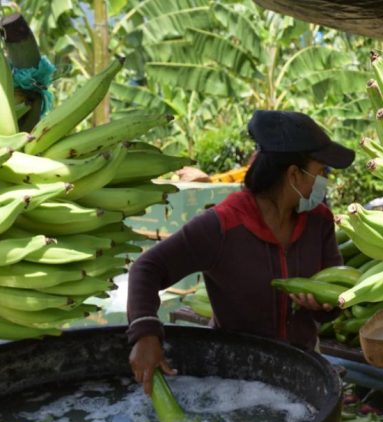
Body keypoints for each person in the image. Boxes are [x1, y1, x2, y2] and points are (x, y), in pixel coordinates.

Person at [127, 110, 355, 395]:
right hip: (235, 382)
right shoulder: (222, 225)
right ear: (294, 174)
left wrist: (324, 307)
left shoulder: (319, 220)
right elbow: (147, 268)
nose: (324, 181)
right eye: (321, 171)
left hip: (301, 372)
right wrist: (145, 333)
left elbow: (335, 297)